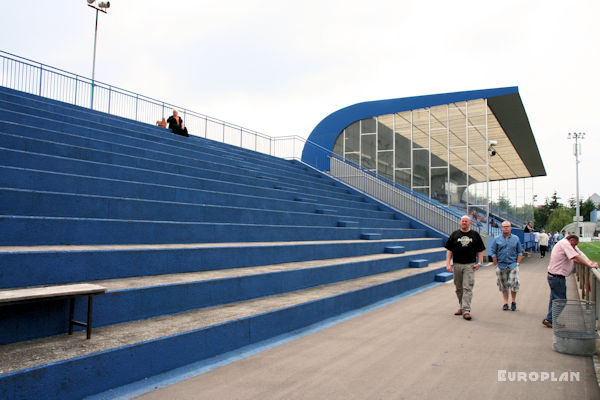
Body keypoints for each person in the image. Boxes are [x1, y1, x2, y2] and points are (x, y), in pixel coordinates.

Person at [542, 234, 598, 328]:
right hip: (557, 277)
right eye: (574, 245)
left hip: (554, 276)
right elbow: (575, 256)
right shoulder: (565, 244)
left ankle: (551, 319)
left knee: (555, 299)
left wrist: (587, 263)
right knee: (561, 300)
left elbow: (574, 259)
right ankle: (550, 319)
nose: (574, 247)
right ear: (571, 241)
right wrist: (589, 265)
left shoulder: (562, 243)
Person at [445, 215, 486, 321]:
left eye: (466, 221)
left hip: (469, 265)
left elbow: (480, 250)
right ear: (460, 222)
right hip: (457, 264)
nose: (464, 223)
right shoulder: (454, 234)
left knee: (467, 287)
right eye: (462, 221)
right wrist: (448, 264)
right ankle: (462, 307)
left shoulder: (475, 235)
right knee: (458, 288)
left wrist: (479, 262)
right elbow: (449, 250)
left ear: (470, 223)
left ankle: (466, 310)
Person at [489, 221, 523, 311]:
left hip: (512, 265)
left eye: (507, 226)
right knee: (503, 285)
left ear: (510, 228)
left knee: (514, 283)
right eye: (504, 227)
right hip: (501, 265)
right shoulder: (497, 239)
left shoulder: (516, 238)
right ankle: (505, 303)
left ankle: (513, 301)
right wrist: (496, 265)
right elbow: (493, 252)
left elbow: (520, 252)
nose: (506, 228)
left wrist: (517, 263)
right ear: (501, 228)